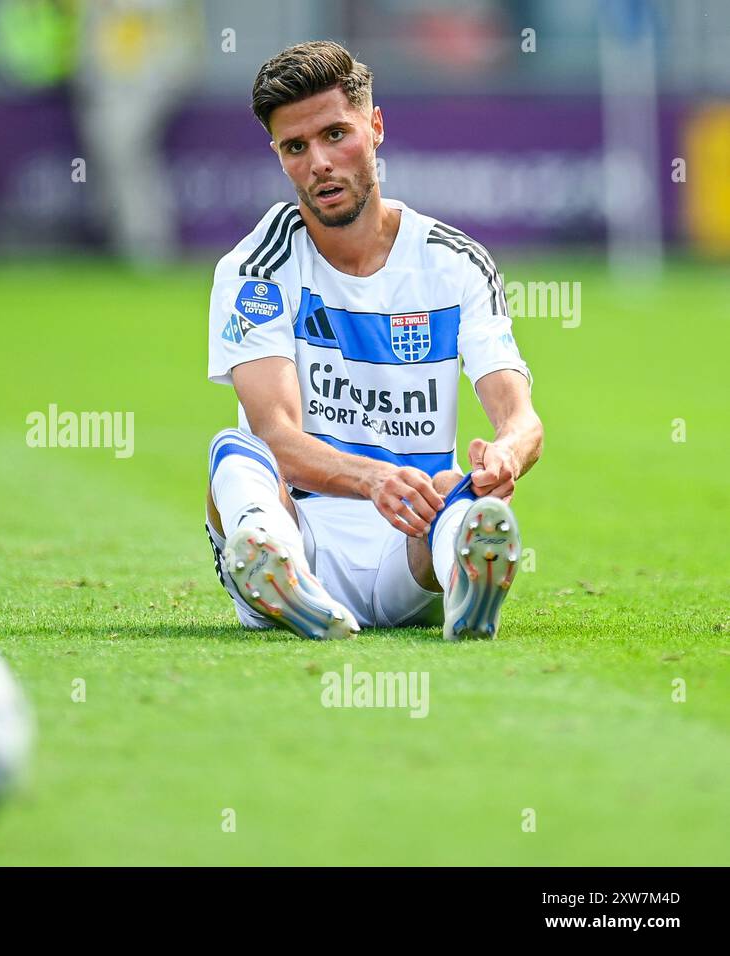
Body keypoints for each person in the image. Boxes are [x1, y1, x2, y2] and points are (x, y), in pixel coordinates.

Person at [205, 40, 543, 641]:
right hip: (300, 530)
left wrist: (506, 454)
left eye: (336, 134)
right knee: (234, 452)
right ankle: (284, 581)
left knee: (455, 495)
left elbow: (520, 417)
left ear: (376, 125)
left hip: (409, 548)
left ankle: (467, 585)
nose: (319, 164)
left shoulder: (456, 263)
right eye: (295, 147)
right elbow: (276, 433)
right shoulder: (256, 269)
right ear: (279, 155)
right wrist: (370, 478)